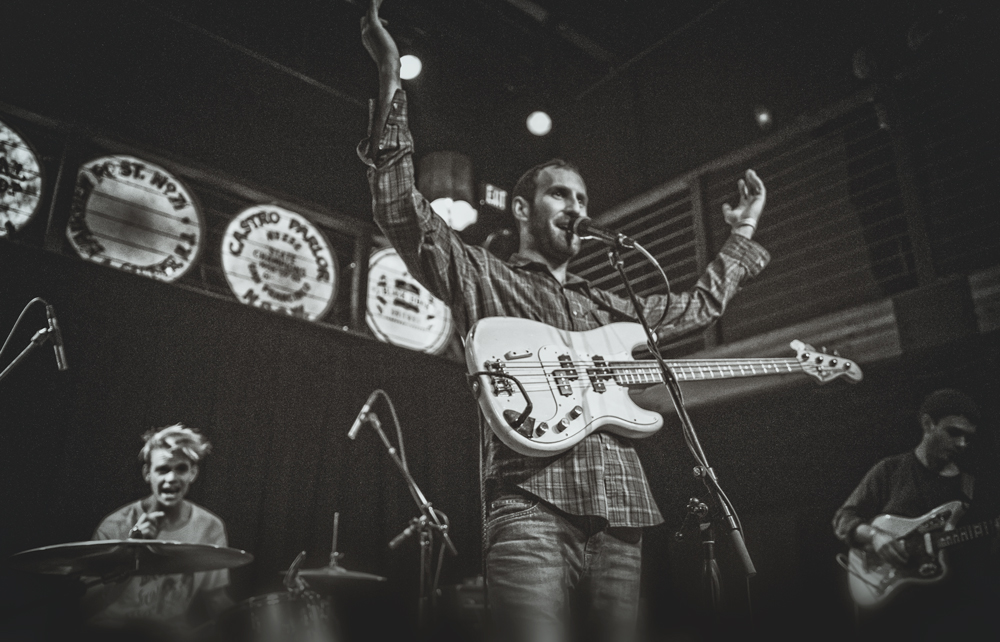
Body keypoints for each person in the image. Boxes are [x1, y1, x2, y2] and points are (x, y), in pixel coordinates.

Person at [359, 2, 770, 639]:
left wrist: (741, 232)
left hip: (623, 513)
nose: (576, 207)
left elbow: (696, 308)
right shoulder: (485, 276)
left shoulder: (609, 307)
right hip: (530, 504)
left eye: (582, 199)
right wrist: (390, 75)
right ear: (522, 207)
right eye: (561, 194)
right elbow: (400, 213)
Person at [833, 389, 998, 640]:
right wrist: (876, 536)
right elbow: (844, 518)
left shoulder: (972, 487)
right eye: (953, 432)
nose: (962, 444)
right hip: (893, 617)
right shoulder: (890, 470)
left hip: (951, 614)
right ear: (927, 424)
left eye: (968, 437)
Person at [81, 424, 233, 640]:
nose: (171, 478)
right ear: (147, 473)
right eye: (162, 469)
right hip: (112, 633)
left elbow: (216, 600)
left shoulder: (210, 527)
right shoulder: (115, 526)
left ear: (193, 473)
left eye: (180, 468)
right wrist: (129, 551)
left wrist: (278, 607)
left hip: (171, 636)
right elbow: (87, 606)